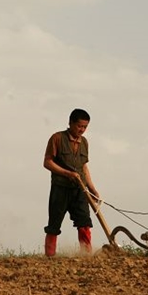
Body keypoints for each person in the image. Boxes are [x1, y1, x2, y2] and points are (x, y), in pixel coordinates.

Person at [43, 108, 100, 257]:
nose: (82, 130)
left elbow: (84, 167)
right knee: (54, 225)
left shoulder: (85, 143)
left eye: (85, 127)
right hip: (60, 188)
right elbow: (47, 162)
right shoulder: (57, 138)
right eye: (79, 126)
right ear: (70, 123)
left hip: (79, 190)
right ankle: (50, 257)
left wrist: (92, 189)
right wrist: (67, 173)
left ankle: (86, 255)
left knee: (85, 222)